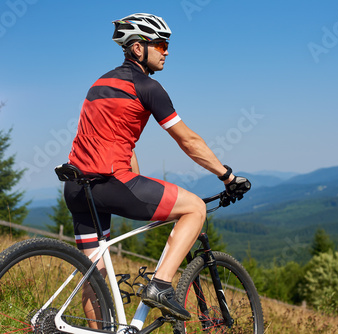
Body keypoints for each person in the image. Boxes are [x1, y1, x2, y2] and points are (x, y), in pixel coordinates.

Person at [63, 13, 250, 324]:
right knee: (194, 209)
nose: (166, 51)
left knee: (93, 277)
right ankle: (161, 285)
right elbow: (189, 141)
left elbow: (120, 143)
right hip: (110, 184)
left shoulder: (99, 84)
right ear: (138, 48)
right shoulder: (147, 86)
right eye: (161, 44)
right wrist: (227, 176)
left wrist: (138, 182)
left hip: (76, 187)